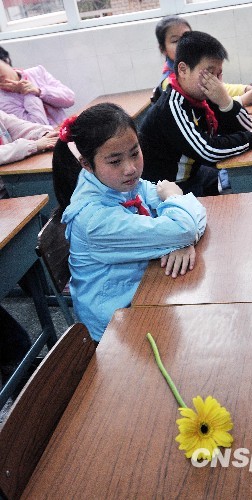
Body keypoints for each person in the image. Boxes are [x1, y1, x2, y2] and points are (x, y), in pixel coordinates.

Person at [52, 103, 207, 342]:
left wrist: (178, 238)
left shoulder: (115, 183)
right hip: (115, 327)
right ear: (86, 164)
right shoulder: (95, 221)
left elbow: (183, 223)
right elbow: (182, 219)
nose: (131, 169)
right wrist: (176, 208)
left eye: (135, 153)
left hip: (144, 287)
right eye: (115, 161)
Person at [140, 30, 252, 197]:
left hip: (194, 175)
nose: (216, 81)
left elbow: (245, 127)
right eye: (209, 72)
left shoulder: (203, 95)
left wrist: (226, 103)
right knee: (237, 192)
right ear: (183, 70)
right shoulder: (172, 106)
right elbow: (209, 151)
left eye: (219, 73)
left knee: (247, 185)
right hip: (169, 191)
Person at [154, 15, 252, 107]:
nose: (183, 44)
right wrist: (243, 99)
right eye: (175, 40)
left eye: (187, 37)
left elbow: (216, 87)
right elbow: (209, 104)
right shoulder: (169, 84)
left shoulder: (195, 66)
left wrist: (245, 89)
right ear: (163, 49)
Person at [0, 60, 75, 127]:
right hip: (50, 140)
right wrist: (28, 92)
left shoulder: (37, 72)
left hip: (68, 128)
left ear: (6, 61)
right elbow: (39, 125)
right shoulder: (2, 102)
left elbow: (70, 99)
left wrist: (40, 91)